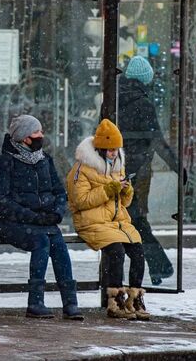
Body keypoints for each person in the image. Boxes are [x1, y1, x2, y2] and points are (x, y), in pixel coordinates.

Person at [0, 115, 84, 321]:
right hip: (12, 223)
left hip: (44, 221)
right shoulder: (5, 162)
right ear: (25, 137)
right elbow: (1, 201)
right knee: (41, 241)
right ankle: (35, 302)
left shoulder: (45, 159)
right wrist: (32, 217)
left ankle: (70, 303)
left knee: (59, 245)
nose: (41, 135)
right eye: (36, 132)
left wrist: (57, 212)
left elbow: (59, 191)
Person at [66, 119, 150, 320]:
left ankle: (135, 299)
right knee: (116, 251)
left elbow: (125, 203)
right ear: (100, 149)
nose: (114, 153)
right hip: (91, 221)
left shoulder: (117, 166)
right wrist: (109, 189)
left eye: (116, 149)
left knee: (138, 252)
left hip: (117, 222)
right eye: (110, 149)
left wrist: (126, 190)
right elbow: (81, 201)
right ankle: (115, 301)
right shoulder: (82, 169)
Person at [118, 55, 177, 285]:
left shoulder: (113, 99)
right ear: (144, 80)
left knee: (126, 219)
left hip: (115, 170)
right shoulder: (143, 104)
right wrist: (176, 166)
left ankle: (155, 267)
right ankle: (158, 266)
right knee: (136, 219)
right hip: (137, 172)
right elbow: (157, 140)